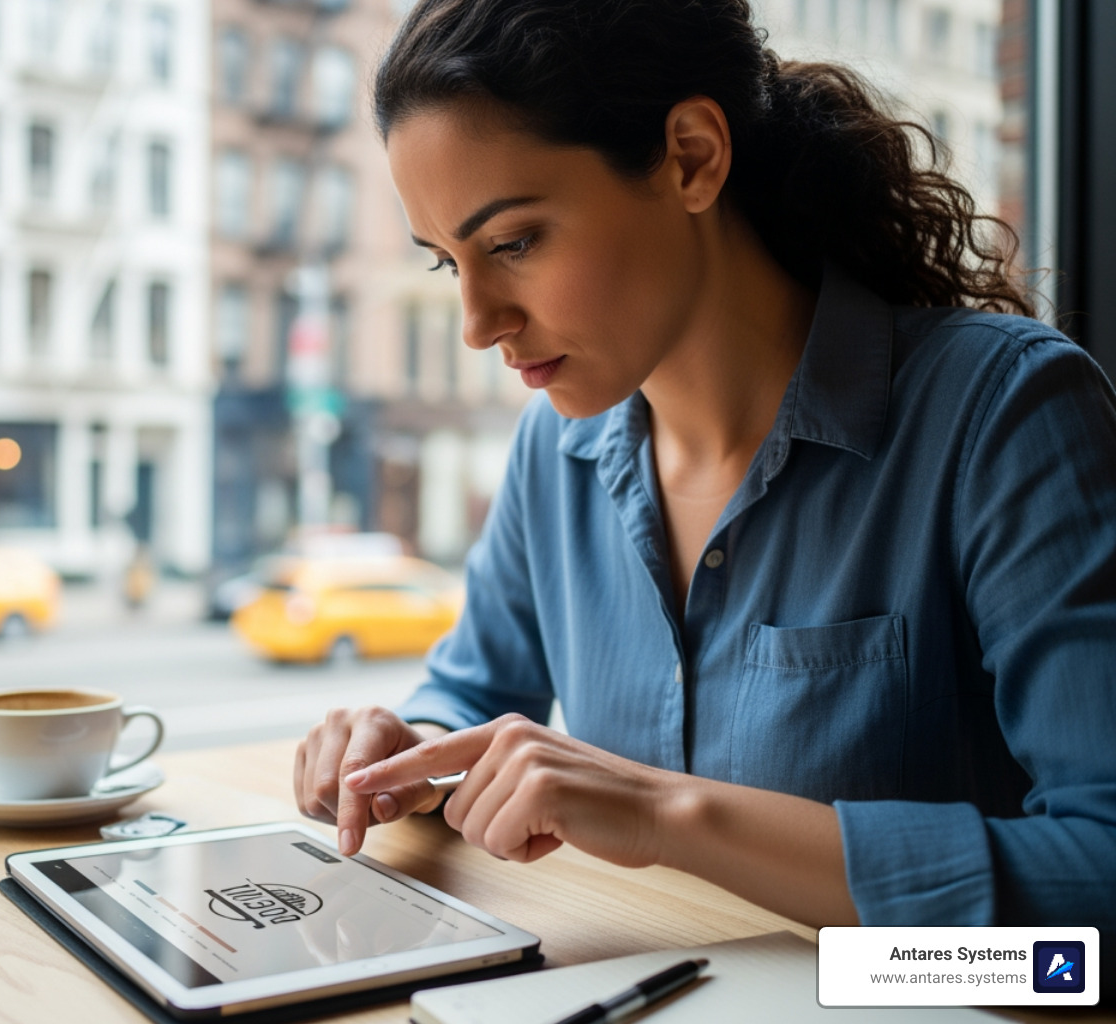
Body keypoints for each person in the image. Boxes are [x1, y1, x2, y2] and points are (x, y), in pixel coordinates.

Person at [294, 0, 1116, 931]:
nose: (479, 323)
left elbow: (1101, 884)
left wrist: (660, 814)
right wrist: (413, 749)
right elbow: (477, 692)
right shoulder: (552, 448)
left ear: (691, 156)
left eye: (514, 243)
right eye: (450, 264)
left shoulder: (1003, 414)